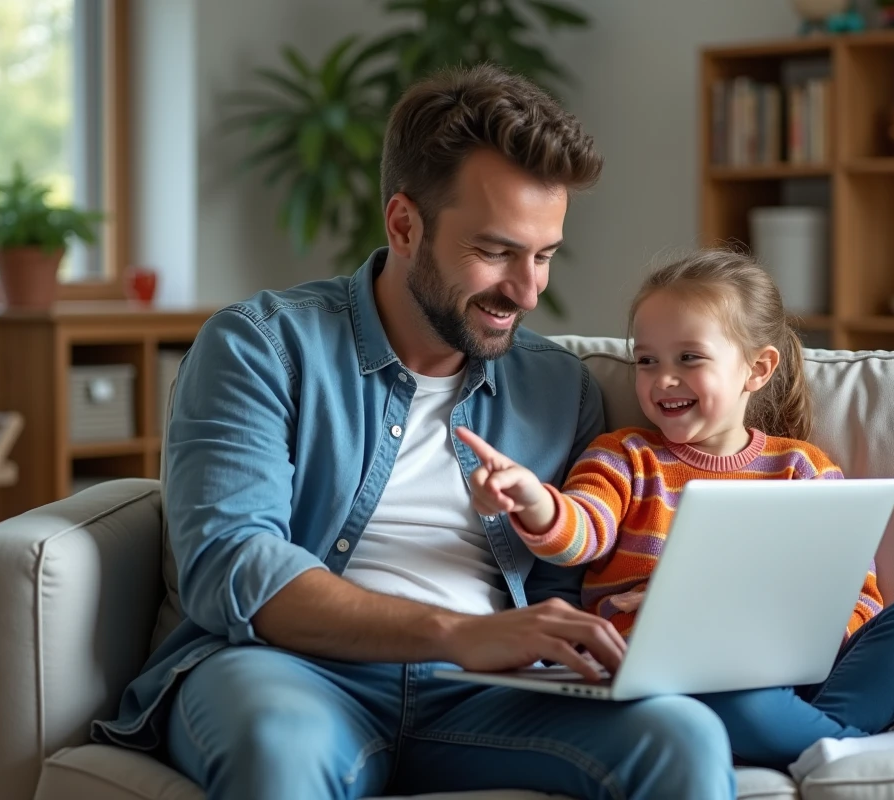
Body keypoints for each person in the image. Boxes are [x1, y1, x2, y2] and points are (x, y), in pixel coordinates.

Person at [90, 66, 736, 800]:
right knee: (278, 745)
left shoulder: (558, 386)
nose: (528, 291)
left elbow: (567, 583)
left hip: (490, 692)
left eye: (544, 255)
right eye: (496, 251)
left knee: (682, 737)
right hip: (291, 670)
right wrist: (456, 632)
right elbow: (233, 567)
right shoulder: (261, 347)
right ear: (403, 225)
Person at [459, 248, 894, 782]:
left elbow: (857, 594)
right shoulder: (624, 457)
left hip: (806, 671)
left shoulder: (802, 469)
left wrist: (799, 636)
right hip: (691, 678)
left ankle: (814, 740)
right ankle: (860, 749)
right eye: (647, 360)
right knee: (732, 695)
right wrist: (534, 501)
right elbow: (583, 530)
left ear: (757, 369)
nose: (662, 379)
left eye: (689, 358)